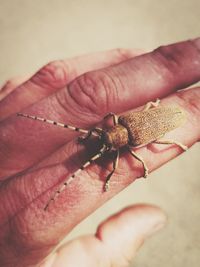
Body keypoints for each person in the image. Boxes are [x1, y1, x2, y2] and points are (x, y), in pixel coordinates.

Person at [0, 38, 199, 267]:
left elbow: (115, 164)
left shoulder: (125, 132)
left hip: (163, 120)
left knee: (158, 144)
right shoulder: (118, 122)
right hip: (152, 117)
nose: (103, 142)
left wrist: (139, 167)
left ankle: (176, 143)